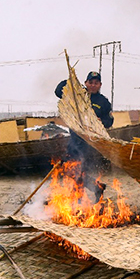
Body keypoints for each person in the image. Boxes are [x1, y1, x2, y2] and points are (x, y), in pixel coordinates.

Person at [54, 71, 114, 200]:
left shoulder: (103, 102)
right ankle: (96, 187)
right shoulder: (78, 95)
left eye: (96, 83)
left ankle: (79, 199)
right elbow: (58, 92)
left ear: (100, 85)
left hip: (89, 143)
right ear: (86, 83)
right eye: (90, 82)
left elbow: (109, 121)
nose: (93, 85)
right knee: (70, 168)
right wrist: (70, 82)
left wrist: (100, 121)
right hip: (74, 139)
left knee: (77, 170)